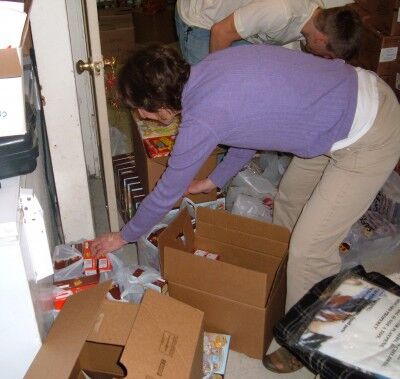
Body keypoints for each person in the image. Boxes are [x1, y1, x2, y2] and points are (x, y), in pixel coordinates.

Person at [91, 43, 400, 373]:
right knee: (289, 199)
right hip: (345, 102)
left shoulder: (201, 119)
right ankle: (296, 280)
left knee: (309, 249)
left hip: (369, 132)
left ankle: (306, 340)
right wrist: (214, 180)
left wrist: (124, 236)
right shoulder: (208, 69)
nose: (140, 116)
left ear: (159, 105)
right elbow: (249, 127)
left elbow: (166, 193)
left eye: (141, 109)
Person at [175, 0, 362, 64]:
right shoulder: (282, 11)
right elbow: (220, 32)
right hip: (204, 19)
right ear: (321, 40)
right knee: (206, 86)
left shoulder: (314, 20)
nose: (325, 59)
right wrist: (222, 79)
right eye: (328, 56)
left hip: (239, 25)